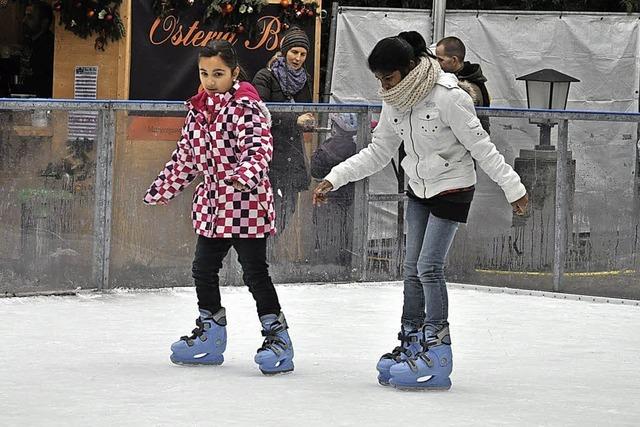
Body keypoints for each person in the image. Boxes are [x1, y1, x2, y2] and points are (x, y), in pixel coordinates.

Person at [312, 32, 528, 390]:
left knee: (429, 266)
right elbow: (378, 152)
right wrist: (334, 179)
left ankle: (439, 349)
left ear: (410, 67)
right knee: (411, 268)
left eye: (388, 77)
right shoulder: (394, 100)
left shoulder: (449, 97)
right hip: (419, 187)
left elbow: (482, 147)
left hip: (454, 187)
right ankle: (412, 340)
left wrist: (513, 188)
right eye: (378, 79)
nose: (383, 85)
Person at [143, 40, 294, 375]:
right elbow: (186, 158)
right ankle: (211, 333)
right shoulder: (199, 110)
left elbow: (258, 149)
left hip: (246, 204)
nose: (210, 81)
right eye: (204, 73)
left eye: (218, 74)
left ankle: (277, 336)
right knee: (202, 269)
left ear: (234, 72)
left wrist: (244, 176)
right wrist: (162, 189)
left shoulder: (246, 107)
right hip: (213, 207)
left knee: (254, 272)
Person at [252, 27, 314, 234]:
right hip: (267, 152)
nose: (297, 58)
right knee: (264, 209)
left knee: (288, 208)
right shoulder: (265, 76)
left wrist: (308, 121)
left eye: (302, 54)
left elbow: (307, 111)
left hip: (293, 152)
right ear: (285, 51)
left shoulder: (305, 80)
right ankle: (259, 256)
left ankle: (271, 256)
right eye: (294, 52)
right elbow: (258, 112)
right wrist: (295, 119)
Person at [309, 112, 357, 266]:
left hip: (329, 199)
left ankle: (329, 265)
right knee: (341, 235)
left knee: (327, 235)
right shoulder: (354, 147)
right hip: (346, 198)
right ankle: (339, 263)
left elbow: (315, 170)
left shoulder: (330, 148)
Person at [435, 36, 491, 132]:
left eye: (441, 59)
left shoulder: (471, 88)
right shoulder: (452, 78)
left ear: (454, 60)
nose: (436, 63)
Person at [23, 0, 54, 98]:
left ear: (44, 22)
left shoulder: (49, 47)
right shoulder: (31, 42)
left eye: (30, 17)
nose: (24, 20)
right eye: (25, 16)